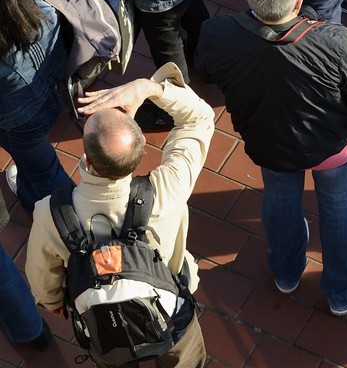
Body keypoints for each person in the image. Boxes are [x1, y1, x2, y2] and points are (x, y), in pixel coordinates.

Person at [197, 0, 347, 316]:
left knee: (280, 198)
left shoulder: (217, 33)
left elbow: (206, 71)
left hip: (268, 141)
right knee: (339, 206)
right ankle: (344, 288)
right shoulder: (335, 42)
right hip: (332, 147)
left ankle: (286, 271)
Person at [25, 65, 215, 368]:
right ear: (139, 152)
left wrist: (52, 302)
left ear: (86, 160)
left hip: (105, 325)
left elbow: (41, 276)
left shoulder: (50, 213)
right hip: (171, 310)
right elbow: (200, 118)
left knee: (112, 354)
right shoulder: (167, 188)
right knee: (184, 358)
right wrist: (149, 88)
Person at [0, 0, 74, 213]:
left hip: (20, 123)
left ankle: (74, 229)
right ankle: (33, 200)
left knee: (47, 175)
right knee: (39, 171)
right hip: (61, 91)